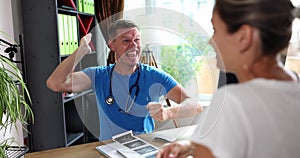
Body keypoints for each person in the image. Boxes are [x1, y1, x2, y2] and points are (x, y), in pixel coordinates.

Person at [156, 0, 300, 157]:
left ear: (244, 36)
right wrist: (193, 146)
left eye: (215, 29)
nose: (211, 41)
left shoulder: (233, 102)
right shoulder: (293, 88)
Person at [46, 19, 202, 141]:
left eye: (137, 40)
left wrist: (169, 112)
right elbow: (56, 83)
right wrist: (80, 52)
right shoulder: (98, 76)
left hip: (144, 147)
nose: (133, 46)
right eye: (126, 41)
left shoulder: (154, 76)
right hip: (110, 149)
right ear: (112, 45)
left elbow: (195, 105)